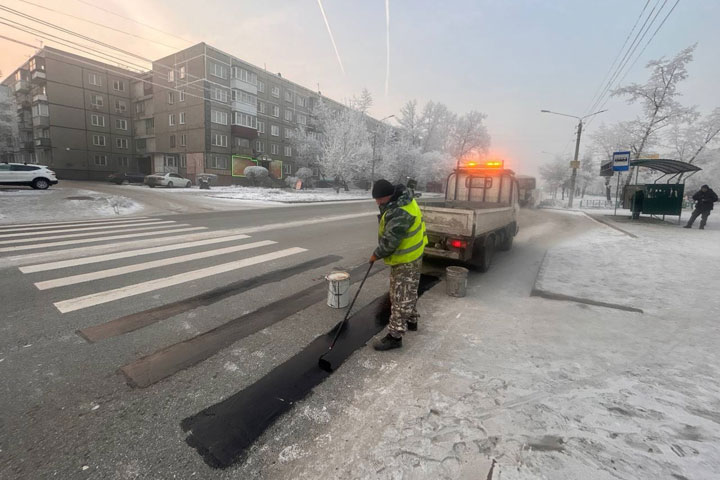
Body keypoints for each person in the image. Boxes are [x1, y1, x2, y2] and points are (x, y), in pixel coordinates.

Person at [369, 179, 428, 351]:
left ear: (389, 195)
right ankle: (412, 320)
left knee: (400, 296)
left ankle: (395, 337)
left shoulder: (400, 212)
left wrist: (375, 255)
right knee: (409, 289)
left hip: (406, 258)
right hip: (412, 254)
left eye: (380, 199)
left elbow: (389, 243)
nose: (378, 202)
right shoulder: (402, 199)